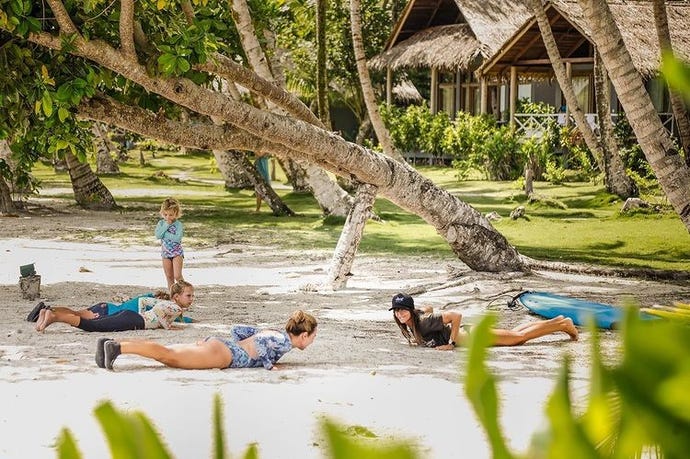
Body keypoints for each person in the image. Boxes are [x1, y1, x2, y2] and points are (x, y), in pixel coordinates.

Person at [95, 310, 317, 371]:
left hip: (220, 346)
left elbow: (238, 330)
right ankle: (117, 348)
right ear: (304, 335)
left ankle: (110, 343)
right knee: (169, 357)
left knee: (167, 351)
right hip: (223, 355)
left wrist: (243, 346)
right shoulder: (284, 342)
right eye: (313, 337)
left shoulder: (273, 332)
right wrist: (269, 365)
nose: (312, 342)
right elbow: (258, 346)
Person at [389, 293, 578, 350]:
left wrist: (451, 344)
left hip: (473, 336)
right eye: (397, 311)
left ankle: (564, 325)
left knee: (519, 338)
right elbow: (428, 308)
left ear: (410, 311)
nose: (400, 314)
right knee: (515, 333)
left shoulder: (422, 322)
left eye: (403, 310)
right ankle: (557, 321)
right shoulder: (416, 321)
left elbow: (456, 315)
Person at [35, 281, 195, 333]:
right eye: (188, 296)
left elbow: (146, 303)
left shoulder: (165, 303)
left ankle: (50, 314)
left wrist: (144, 317)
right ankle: (55, 317)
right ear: (176, 297)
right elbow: (161, 310)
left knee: (90, 321)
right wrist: (167, 326)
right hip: (133, 318)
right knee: (92, 326)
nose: (192, 299)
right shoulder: (175, 308)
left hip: (131, 315)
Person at [155, 197, 185, 290]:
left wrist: (164, 234)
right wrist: (166, 225)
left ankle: (184, 292)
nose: (168, 217)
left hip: (177, 253)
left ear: (176, 213)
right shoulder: (161, 223)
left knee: (177, 276)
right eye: (165, 214)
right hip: (165, 253)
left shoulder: (178, 224)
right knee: (169, 277)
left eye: (171, 215)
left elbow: (177, 238)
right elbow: (158, 235)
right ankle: (173, 298)